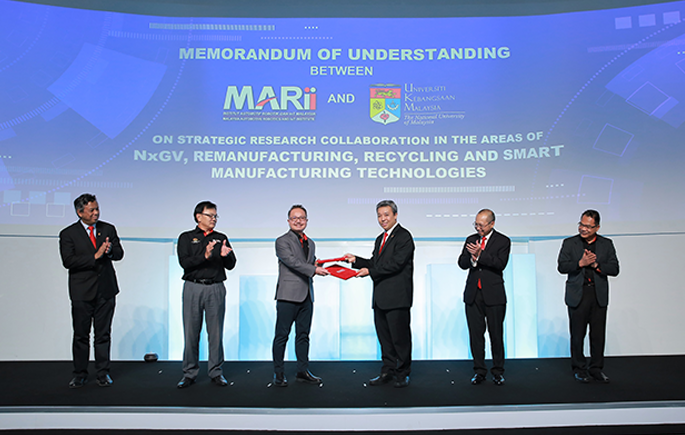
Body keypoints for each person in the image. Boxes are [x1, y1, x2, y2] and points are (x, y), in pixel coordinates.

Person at [345, 200, 415, 388]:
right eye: (379, 216)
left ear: (395, 215)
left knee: (400, 339)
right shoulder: (380, 239)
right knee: (385, 338)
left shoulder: (404, 236)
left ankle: (402, 373)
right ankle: (387, 371)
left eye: (386, 215)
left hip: (397, 297)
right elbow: (375, 263)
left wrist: (370, 271)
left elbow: (396, 264)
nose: (382, 219)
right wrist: (356, 261)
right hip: (381, 297)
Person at [59, 193, 123, 388]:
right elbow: (68, 261)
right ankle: (79, 374)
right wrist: (95, 256)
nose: (96, 213)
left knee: (103, 334)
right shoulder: (68, 234)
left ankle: (103, 373)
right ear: (80, 212)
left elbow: (119, 254)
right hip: (82, 291)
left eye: (97, 209)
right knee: (81, 335)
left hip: (106, 290)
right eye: (91, 210)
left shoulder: (108, 228)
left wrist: (109, 251)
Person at [176, 201, 237, 389]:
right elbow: (184, 263)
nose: (214, 219)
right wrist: (205, 255)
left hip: (215, 288)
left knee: (215, 332)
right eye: (210, 215)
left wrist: (226, 255)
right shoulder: (186, 237)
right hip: (193, 287)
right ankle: (189, 373)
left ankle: (216, 371)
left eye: (215, 216)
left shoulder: (221, 237)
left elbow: (231, 265)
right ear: (198, 216)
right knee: (191, 332)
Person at [557, 210, 619, 383]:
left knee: (598, 335)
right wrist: (580, 263)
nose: (583, 229)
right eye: (581, 224)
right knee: (577, 334)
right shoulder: (570, 243)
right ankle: (579, 368)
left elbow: (614, 269)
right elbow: (562, 266)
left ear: (597, 227)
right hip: (578, 293)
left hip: (598, 294)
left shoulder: (606, 244)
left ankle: (596, 369)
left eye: (588, 226)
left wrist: (596, 265)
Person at [272, 205, 329, 387]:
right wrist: (314, 269)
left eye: (302, 218)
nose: (298, 221)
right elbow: (292, 262)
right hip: (287, 296)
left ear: (306, 220)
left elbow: (310, 263)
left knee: (303, 335)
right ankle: (278, 374)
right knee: (282, 335)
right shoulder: (282, 241)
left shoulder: (310, 243)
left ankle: (302, 371)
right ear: (288, 221)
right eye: (294, 218)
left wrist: (323, 265)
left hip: (306, 295)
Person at [458, 209, 510, 386]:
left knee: (496, 335)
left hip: (494, 295)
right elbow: (461, 263)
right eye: (476, 224)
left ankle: (498, 371)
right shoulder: (471, 239)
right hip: (473, 295)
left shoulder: (503, 241)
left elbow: (500, 264)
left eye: (481, 225)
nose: (478, 228)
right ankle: (479, 371)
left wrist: (481, 254)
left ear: (492, 224)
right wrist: (472, 258)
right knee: (476, 335)